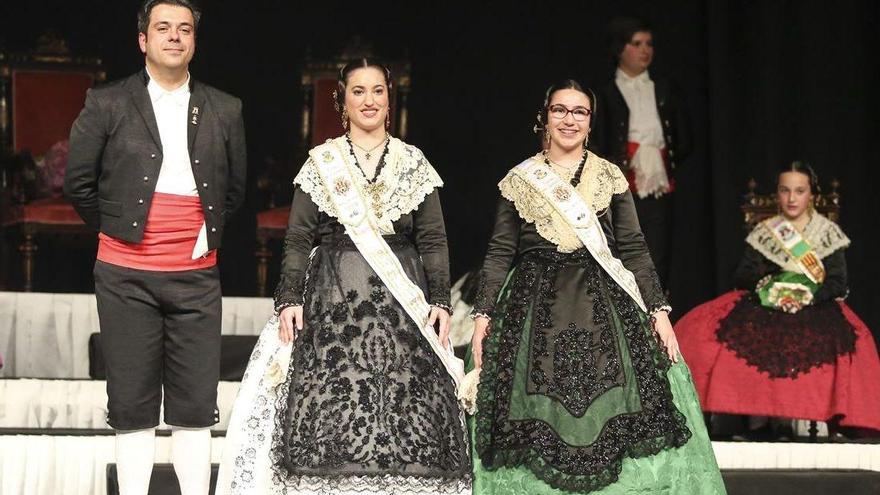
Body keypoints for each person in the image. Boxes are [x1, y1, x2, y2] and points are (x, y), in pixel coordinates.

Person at [217, 59, 471, 494]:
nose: (369, 100)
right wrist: (289, 299)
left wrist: (441, 301)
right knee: (337, 404)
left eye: (378, 91)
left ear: (390, 100)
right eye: (358, 91)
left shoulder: (413, 162)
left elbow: (433, 239)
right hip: (334, 299)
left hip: (403, 303)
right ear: (342, 101)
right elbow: (298, 238)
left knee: (404, 409)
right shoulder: (323, 162)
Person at [467, 79, 724, 494]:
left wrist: (658, 312)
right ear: (544, 117)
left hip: (603, 298)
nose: (570, 120)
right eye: (560, 110)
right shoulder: (520, 179)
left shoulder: (609, 176)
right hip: (534, 303)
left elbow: (635, 249)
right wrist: (483, 315)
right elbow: (499, 252)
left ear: (591, 122)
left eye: (580, 112)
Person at [63, 1, 246, 494]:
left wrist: (193, 236)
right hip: (124, 277)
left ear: (194, 42)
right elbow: (79, 185)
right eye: (162, 28)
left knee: (193, 406)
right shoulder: (107, 102)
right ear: (143, 40)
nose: (174, 37)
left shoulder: (225, 109)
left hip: (196, 277)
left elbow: (233, 194)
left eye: (184, 29)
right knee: (132, 403)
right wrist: (126, 231)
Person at [675, 162, 880, 437]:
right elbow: (744, 274)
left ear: (812, 195)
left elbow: (837, 281)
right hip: (767, 302)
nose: (792, 198)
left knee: (851, 341)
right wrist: (768, 290)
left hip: (815, 303)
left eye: (799, 191)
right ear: (777, 194)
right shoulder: (767, 231)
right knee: (707, 332)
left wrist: (809, 296)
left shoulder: (827, 233)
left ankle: (820, 421)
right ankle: (757, 423)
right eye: (785, 190)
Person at [591, 16, 692, 290]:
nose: (645, 50)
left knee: (658, 254)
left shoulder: (664, 89)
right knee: (622, 250)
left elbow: (683, 139)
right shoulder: (606, 93)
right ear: (620, 49)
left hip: (657, 185)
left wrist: (658, 162)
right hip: (621, 186)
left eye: (649, 43)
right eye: (637, 44)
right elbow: (598, 142)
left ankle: (656, 317)